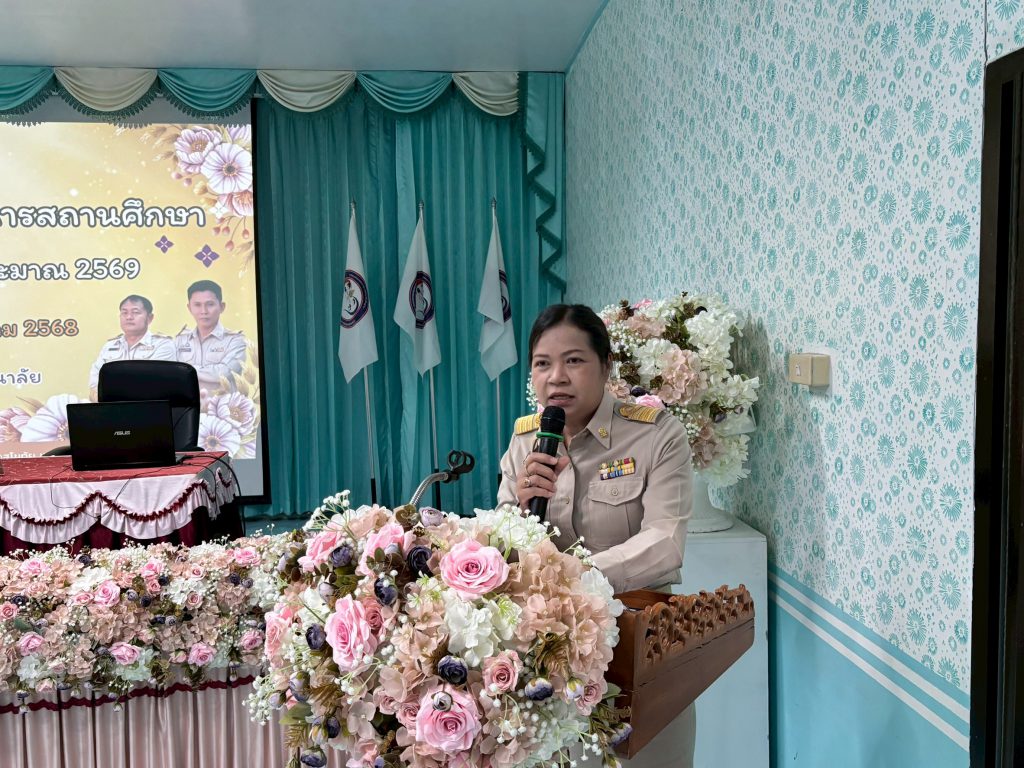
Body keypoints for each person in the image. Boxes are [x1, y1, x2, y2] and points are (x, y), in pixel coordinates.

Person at [496, 303, 695, 768]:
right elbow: (500, 553)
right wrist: (520, 513)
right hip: (549, 653)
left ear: (606, 366)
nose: (556, 378)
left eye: (574, 360)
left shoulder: (656, 436)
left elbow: (665, 541)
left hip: (639, 644)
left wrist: (573, 575)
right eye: (542, 364)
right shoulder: (526, 441)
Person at [88, 295, 175, 399]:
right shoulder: (109, 346)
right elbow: (95, 383)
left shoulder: (163, 345)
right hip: (111, 405)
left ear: (149, 318)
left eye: (135, 312)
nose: (129, 317)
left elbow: (156, 382)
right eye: (124, 313)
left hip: (148, 405)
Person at [175, 279, 247, 390]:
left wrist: (185, 369)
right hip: (187, 401)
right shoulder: (180, 340)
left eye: (210, 304)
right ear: (189, 308)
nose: (204, 311)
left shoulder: (236, 340)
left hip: (222, 401)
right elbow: (171, 373)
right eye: (197, 305)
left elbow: (225, 373)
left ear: (222, 307)